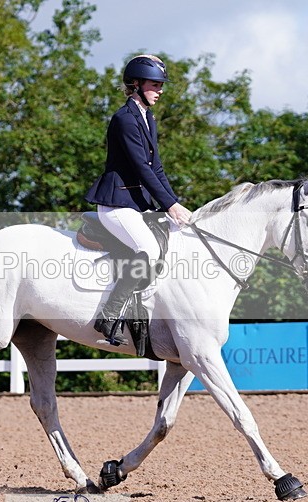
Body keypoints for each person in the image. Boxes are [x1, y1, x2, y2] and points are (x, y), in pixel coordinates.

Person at [85, 54, 192, 345]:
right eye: (155, 84)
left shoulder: (147, 117)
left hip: (136, 204)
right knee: (147, 248)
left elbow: (156, 166)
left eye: (161, 85)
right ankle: (109, 316)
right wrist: (170, 205)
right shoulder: (124, 119)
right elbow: (140, 168)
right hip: (116, 203)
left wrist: (173, 203)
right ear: (136, 83)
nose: (160, 90)